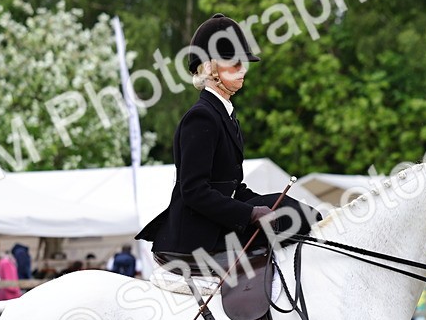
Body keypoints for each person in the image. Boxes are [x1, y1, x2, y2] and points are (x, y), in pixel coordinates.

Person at [136, 13, 319, 258]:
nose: (243, 70)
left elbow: (232, 188)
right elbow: (194, 191)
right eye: (234, 63)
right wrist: (251, 214)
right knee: (292, 217)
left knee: (291, 210)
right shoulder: (201, 117)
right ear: (211, 67)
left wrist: (268, 204)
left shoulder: (225, 113)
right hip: (196, 233)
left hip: (215, 221)